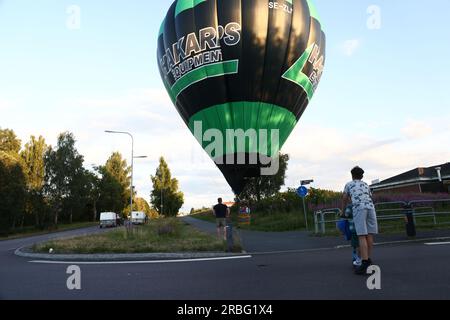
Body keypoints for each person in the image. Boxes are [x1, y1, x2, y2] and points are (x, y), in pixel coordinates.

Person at [342, 166, 378, 275]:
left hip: (359, 208)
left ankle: (364, 262)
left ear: (352, 175)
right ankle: (368, 258)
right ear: (362, 176)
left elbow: (344, 198)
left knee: (361, 235)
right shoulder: (366, 184)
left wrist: (343, 211)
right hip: (370, 207)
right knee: (369, 234)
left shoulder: (349, 184)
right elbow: (370, 197)